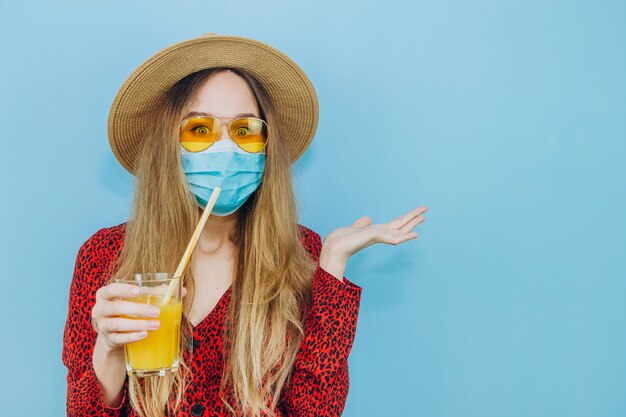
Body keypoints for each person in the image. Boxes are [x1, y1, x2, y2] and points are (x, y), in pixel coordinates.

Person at [62, 33, 428, 417]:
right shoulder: (104, 256)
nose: (226, 148)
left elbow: (316, 411)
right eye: (200, 129)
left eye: (245, 131)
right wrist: (108, 347)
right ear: (168, 143)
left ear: (266, 147)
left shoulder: (302, 257)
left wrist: (332, 264)